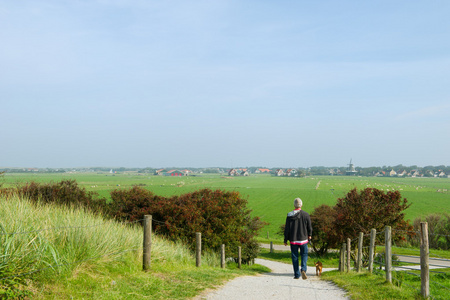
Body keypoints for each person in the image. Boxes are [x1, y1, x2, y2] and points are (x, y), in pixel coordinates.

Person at [284, 197, 312, 280]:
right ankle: (303, 269)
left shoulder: (289, 215)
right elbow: (309, 226)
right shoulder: (306, 214)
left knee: (295, 257)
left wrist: (285, 239)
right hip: (303, 239)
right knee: (304, 255)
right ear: (301, 205)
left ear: (294, 205)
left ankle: (296, 274)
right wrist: (309, 235)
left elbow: (287, 229)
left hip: (293, 239)